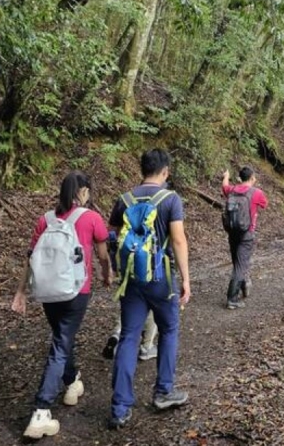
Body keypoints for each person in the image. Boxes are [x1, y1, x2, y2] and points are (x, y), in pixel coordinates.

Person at [12, 171, 110, 439]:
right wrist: (107, 274)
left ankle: (72, 382)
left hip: (47, 291)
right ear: (84, 192)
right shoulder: (91, 218)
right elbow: (102, 254)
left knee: (61, 338)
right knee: (61, 342)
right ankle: (41, 411)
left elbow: (30, 258)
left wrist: (21, 292)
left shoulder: (45, 219)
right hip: (77, 291)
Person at [107, 149, 191, 429]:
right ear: (165, 171)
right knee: (168, 330)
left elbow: (111, 236)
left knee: (129, 335)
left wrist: (114, 269)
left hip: (132, 278)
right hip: (161, 277)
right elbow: (178, 241)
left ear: (142, 169)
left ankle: (119, 407)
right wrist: (186, 280)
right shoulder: (171, 199)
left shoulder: (125, 199)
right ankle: (163, 391)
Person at [102, 231, 159, 362]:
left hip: (127, 261)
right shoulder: (159, 210)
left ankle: (117, 334)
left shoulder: (124, 209)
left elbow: (111, 232)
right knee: (153, 307)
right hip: (150, 264)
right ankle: (147, 347)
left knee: (130, 306)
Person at [221, 166, 269, 309]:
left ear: (240, 178)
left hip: (232, 232)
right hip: (246, 233)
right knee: (241, 265)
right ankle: (232, 298)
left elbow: (224, 186)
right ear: (252, 178)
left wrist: (226, 176)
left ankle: (243, 285)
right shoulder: (256, 193)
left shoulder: (232, 190)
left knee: (237, 262)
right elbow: (264, 204)